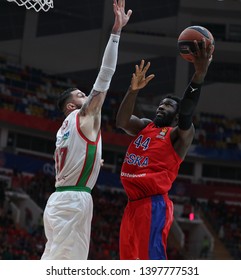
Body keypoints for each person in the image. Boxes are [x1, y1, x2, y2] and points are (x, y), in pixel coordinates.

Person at [41, 0, 132, 260]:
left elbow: (75, 158)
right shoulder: (83, 115)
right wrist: (115, 33)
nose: (88, 95)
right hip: (72, 202)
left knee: (56, 261)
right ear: (72, 105)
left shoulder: (63, 131)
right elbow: (106, 74)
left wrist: (95, 161)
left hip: (61, 200)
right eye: (82, 94)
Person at [116, 39, 213, 260]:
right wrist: (132, 91)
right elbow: (121, 121)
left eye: (168, 106)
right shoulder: (144, 126)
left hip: (153, 204)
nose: (161, 106)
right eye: (161, 104)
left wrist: (199, 75)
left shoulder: (179, 135)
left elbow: (188, 113)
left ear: (177, 116)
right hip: (132, 205)